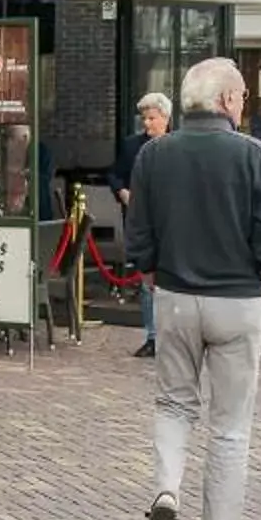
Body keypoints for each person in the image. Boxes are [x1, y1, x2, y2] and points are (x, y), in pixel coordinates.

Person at [123, 57, 261, 520]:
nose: (243, 104)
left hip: (174, 296)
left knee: (174, 404)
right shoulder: (255, 156)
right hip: (238, 300)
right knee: (230, 424)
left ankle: (167, 491)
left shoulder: (154, 154)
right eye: (240, 96)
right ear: (224, 101)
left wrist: (154, 275)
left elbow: (139, 236)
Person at [112, 92, 172, 359]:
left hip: (171, 223)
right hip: (140, 223)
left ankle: (175, 336)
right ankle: (152, 336)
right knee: (147, 279)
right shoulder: (131, 146)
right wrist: (122, 192)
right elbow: (114, 174)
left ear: (166, 118)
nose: (147, 124)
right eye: (144, 118)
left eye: (152, 118)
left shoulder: (178, 146)